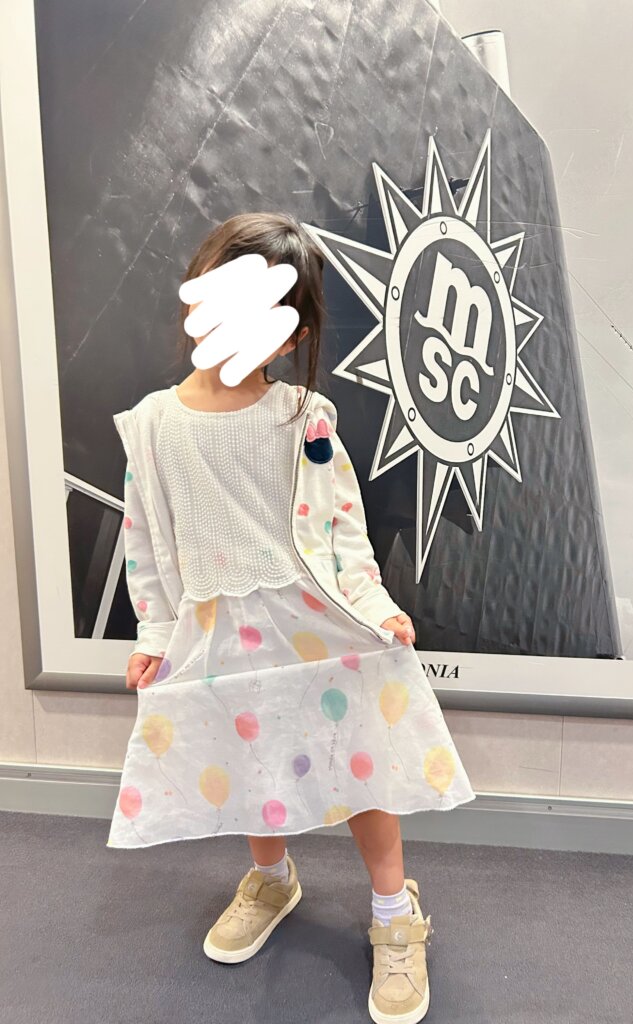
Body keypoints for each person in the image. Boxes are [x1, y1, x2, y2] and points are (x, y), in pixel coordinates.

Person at [107, 211, 476, 1024]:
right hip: (218, 631)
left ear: (293, 334)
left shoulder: (304, 416)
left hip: (313, 622)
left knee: (363, 765)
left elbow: (342, 528)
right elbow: (147, 544)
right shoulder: (154, 424)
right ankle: (272, 879)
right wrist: (155, 635)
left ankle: (394, 914)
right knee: (251, 762)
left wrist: (374, 606)